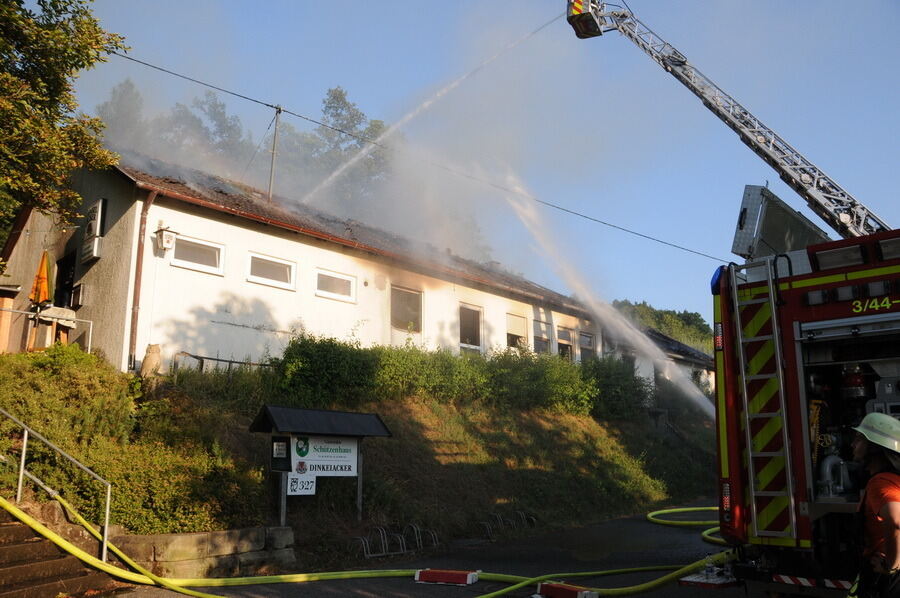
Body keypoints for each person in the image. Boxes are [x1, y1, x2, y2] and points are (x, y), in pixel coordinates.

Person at [853, 412, 900, 597]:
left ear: (874, 447)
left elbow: (896, 522)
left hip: (887, 580)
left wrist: (891, 566)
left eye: (858, 439)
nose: (852, 445)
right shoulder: (894, 479)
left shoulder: (880, 483)